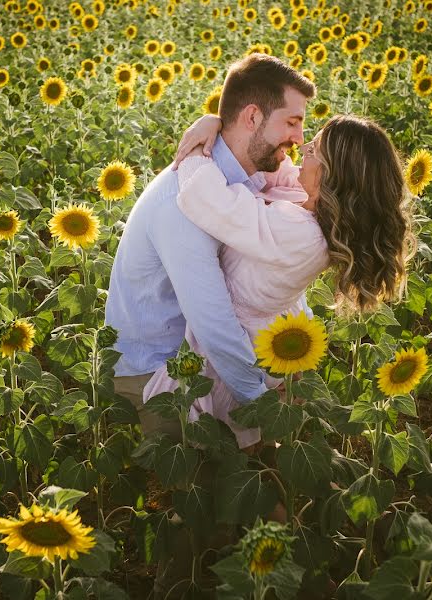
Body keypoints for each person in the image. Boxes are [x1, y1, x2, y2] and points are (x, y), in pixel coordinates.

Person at [143, 111, 418, 450]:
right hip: (252, 348)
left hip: (225, 361)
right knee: (250, 464)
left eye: (314, 150)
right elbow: (280, 176)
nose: (302, 150)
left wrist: (199, 146)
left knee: (227, 471)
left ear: (332, 177)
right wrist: (219, 122)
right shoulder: (315, 220)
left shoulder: (298, 234)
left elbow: (206, 197)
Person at [105, 54, 316, 442]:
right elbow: (213, 324)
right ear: (252, 117)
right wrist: (261, 404)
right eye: (292, 122)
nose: (300, 138)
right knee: (227, 485)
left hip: (201, 353)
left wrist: (214, 122)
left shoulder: (243, 174)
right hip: (157, 369)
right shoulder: (184, 203)